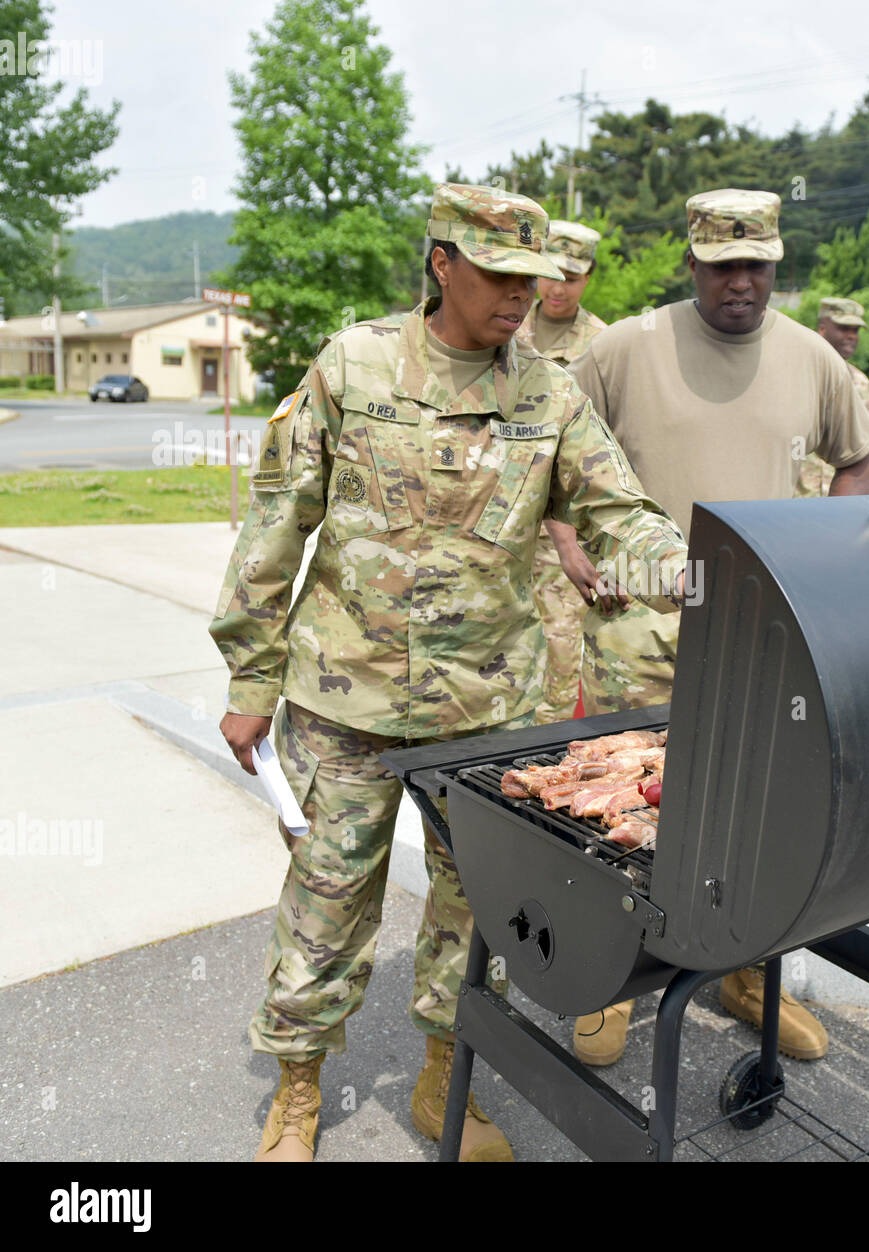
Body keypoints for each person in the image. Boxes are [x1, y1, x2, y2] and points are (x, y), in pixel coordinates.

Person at [210, 184, 687, 1163]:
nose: (521, 295)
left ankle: (446, 1078)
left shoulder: (548, 393)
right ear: (442, 263)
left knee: (480, 905)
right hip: (348, 700)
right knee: (328, 894)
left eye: (536, 279)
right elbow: (275, 522)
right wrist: (250, 680)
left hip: (488, 714)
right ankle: (298, 1089)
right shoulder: (356, 364)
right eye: (501, 275)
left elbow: (617, 514)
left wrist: (691, 567)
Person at [548, 188, 869, 1067]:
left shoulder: (816, 361)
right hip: (636, 630)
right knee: (620, 809)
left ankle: (746, 976)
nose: (741, 282)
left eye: (758, 266)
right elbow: (549, 451)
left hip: (764, 634)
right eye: (723, 265)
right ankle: (608, 985)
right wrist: (570, 546)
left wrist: (829, 559)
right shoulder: (625, 349)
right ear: (691, 262)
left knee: (760, 813)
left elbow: (858, 462)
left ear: (778, 265)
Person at [513, 220, 609, 722]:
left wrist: (573, 542)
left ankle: (535, 777)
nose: (558, 287)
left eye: (572, 276)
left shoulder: (603, 345)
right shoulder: (505, 326)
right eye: (551, 273)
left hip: (561, 539)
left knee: (558, 663)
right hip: (501, 523)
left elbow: (601, 451)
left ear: (588, 277)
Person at [796, 296, 869, 497]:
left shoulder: (860, 383)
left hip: (843, 502)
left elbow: (863, 451)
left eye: (855, 330)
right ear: (822, 329)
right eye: (844, 328)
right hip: (794, 503)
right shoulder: (795, 374)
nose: (851, 336)